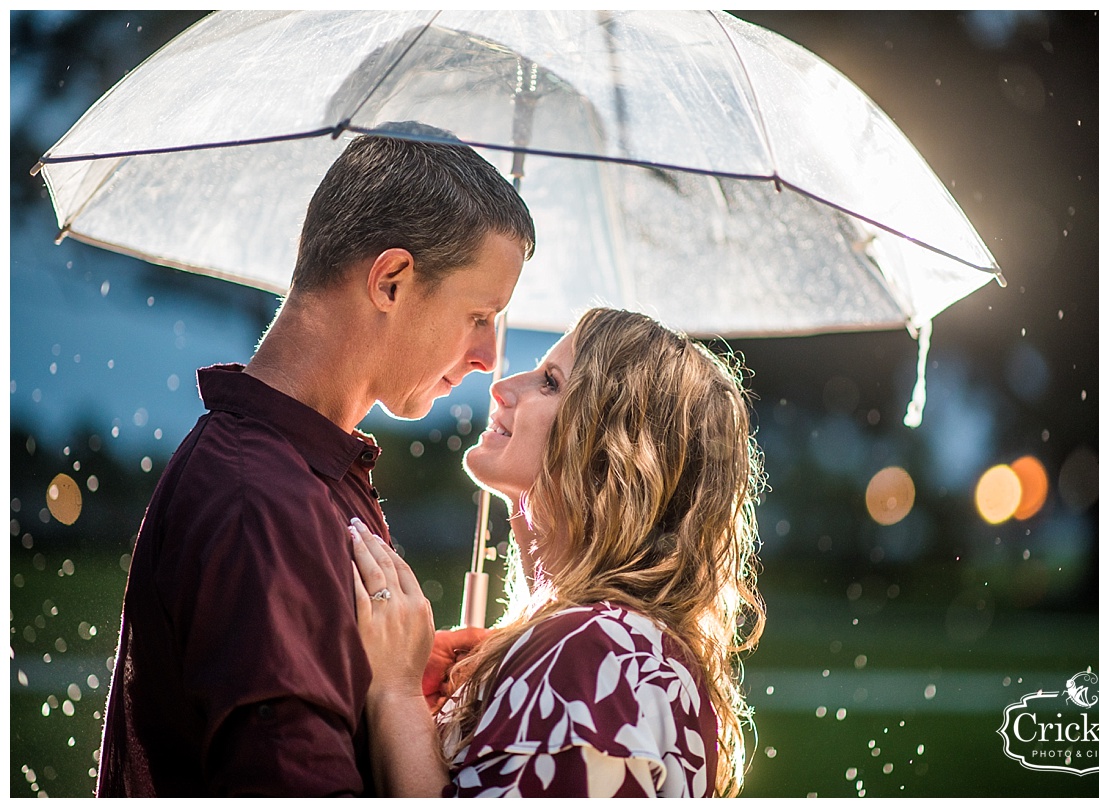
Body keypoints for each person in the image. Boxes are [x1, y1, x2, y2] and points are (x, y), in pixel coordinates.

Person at [95, 122, 536, 797]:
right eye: (481, 314)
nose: (489, 359)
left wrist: (405, 677)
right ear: (390, 281)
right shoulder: (260, 503)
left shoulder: (301, 476)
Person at [351, 307, 767, 798]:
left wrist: (394, 690)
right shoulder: (612, 645)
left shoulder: (596, 653)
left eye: (550, 382)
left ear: (612, 450)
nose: (501, 388)